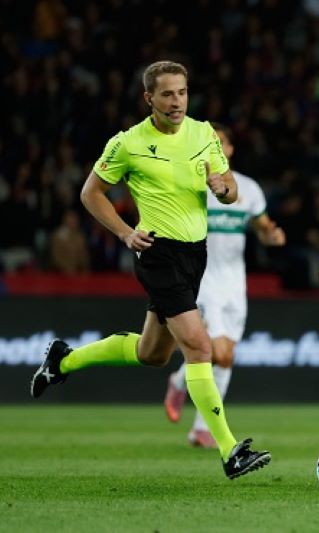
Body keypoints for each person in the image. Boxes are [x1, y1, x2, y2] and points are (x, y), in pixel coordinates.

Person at [30, 60, 271, 479]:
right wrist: (125, 232)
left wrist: (224, 189)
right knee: (200, 347)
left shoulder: (204, 133)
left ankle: (63, 361)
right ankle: (229, 451)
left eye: (182, 92)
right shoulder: (128, 143)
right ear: (149, 98)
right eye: (167, 94)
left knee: (153, 354)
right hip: (157, 253)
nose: (177, 101)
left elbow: (229, 188)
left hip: (195, 255)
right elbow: (91, 193)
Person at [164, 123, 286, 448]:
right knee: (217, 353)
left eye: (220, 143)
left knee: (226, 356)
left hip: (234, 284)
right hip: (201, 280)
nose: (214, 149)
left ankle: (182, 389)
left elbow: (262, 227)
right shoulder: (188, 185)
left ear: (229, 149)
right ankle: (202, 423)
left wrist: (271, 236)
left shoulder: (248, 189)